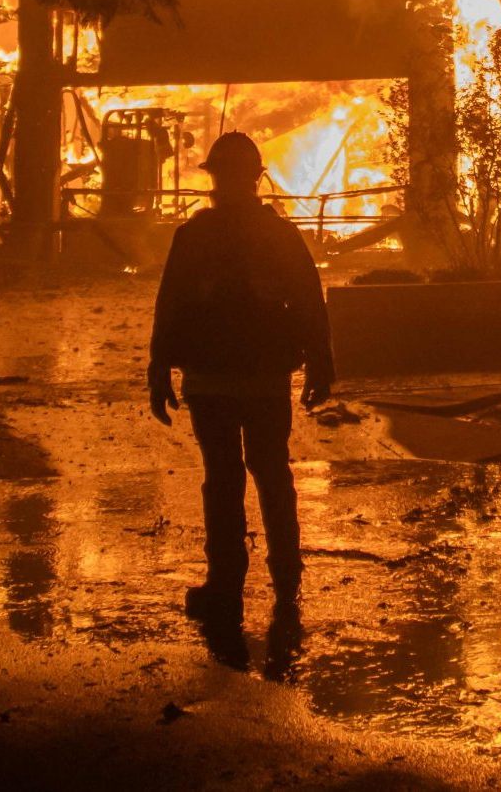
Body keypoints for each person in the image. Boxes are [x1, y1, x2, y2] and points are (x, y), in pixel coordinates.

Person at [146, 131, 334, 637]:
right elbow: (310, 302)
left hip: (210, 380)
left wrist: (158, 369)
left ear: (214, 178)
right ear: (257, 178)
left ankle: (225, 584)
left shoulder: (193, 236)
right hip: (265, 377)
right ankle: (286, 580)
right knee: (272, 472)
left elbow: (171, 307)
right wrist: (321, 362)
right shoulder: (280, 235)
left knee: (223, 478)